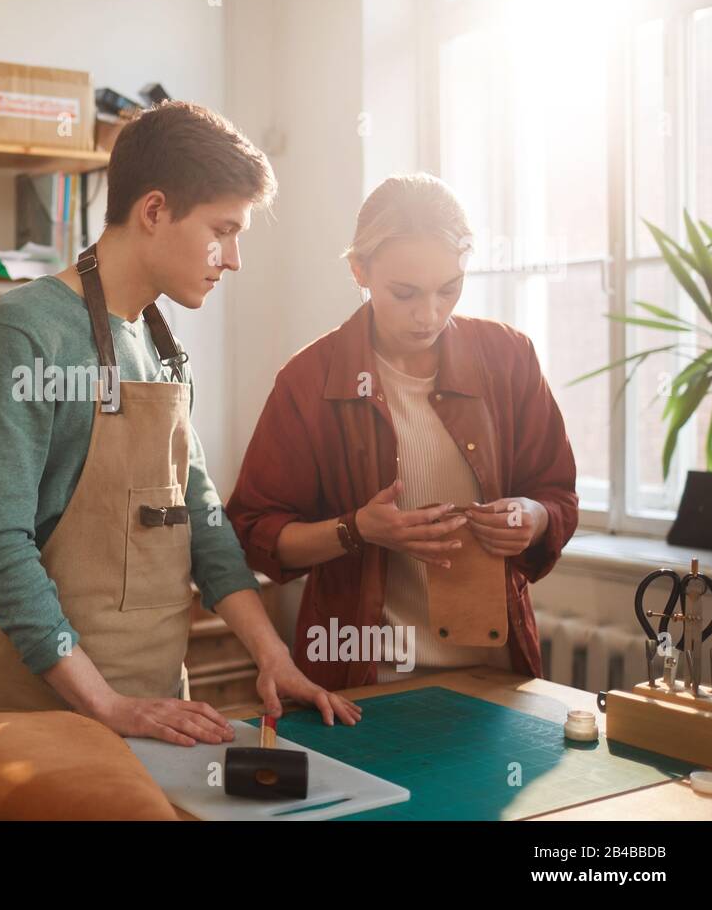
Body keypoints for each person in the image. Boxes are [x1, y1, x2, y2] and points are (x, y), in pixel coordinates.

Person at [0, 101, 361, 746]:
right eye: (222, 230)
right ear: (153, 211)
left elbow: (201, 518)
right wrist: (106, 705)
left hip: (161, 713)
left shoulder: (161, 345)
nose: (233, 259)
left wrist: (272, 655)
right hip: (53, 719)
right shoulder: (25, 332)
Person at [226, 173, 578, 689]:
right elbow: (255, 536)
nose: (428, 315)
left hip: (497, 673)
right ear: (359, 270)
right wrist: (357, 529)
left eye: (449, 290)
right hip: (362, 679)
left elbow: (558, 497)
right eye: (405, 293)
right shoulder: (308, 380)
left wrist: (533, 516)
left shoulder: (510, 357)